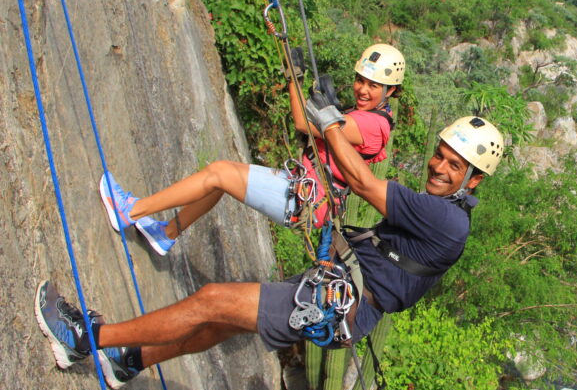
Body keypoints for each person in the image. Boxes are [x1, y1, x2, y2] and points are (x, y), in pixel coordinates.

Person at [35, 113, 504, 390]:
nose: (439, 166)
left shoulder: (446, 218)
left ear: (474, 179)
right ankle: (132, 360)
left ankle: (87, 340)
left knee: (213, 300)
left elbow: (362, 180)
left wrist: (329, 121)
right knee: (221, 322)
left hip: (336, 302)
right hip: (335, 294)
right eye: (439, 154)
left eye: (454, 164)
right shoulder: (445, 212)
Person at [98, 43, 405, 255]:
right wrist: (296, 81)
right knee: (222, 182)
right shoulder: (359, 114)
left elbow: (304, 125)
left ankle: (130, 211)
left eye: (373, 86)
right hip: (300, 188)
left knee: (219, 172)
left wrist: (309, 95)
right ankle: (165, 235)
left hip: (305, 198)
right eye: (360, 80)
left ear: (390, 91)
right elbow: (303, 121)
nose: (363, 89)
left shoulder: (373, 126)